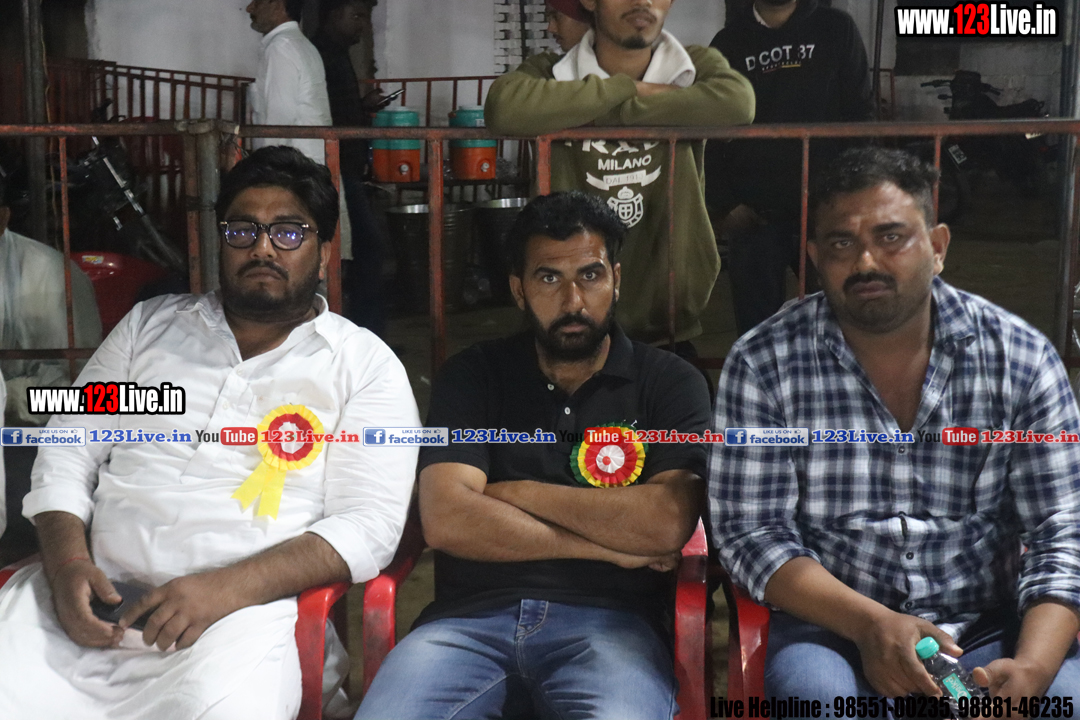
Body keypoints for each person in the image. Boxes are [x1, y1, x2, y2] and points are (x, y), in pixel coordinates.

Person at [0, 146, 421, 720]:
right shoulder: (147, 329)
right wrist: (68, 564)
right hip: (88, 604)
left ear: (324, 253)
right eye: (243, 230)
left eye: (288, 233)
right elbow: (67, 446)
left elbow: (369, 525)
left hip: (239, 625)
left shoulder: (363, 366)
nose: (263, 248)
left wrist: (224, 589)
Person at [708, 147, 1080, 701]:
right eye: (841, 243)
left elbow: (1063, 530)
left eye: (891, 237)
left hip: (988, 624)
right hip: (833, 628)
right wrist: (869, 624)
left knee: (1063, 700)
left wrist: (1032, 669)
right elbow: (751, 531)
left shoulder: (1020, 358)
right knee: (817, 699)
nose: (866, 262)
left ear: (937, 247)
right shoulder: (764, 362)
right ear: (813, 256)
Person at [356, 192, 710, 719]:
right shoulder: (473, 375)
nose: (573, 300)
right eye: (549, 278)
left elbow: (664, 523)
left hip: (613, 627)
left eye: (590, 275)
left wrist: (512, 493)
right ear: (519, 290)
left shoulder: (669, 381)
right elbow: (447, 518)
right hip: (465, 624)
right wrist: (610, 550)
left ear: (616, 279)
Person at [485, 0, 755, 347]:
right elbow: (504, 108)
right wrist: (628, 88)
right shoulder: (550, 71)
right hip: (569, 315)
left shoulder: (693, 64)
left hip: (668, 308)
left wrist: (585, 112)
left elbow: (737, 104)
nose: (642, 1)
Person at [707, 0, 873, 335]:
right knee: (757, 330)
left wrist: (855, 196)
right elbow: (710, 130)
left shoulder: (835, 29)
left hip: (827, 210)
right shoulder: (727, 43)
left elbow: (860, 115)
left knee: (839, 319)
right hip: (754, 215)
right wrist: (726, 203)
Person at [0, 176, 102, 562]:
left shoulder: (52, 278)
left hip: (28, 438)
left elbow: (79, 392)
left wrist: (8, 396)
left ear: (3, 218)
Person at [313, 0, 388, 338]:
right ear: (333, 15)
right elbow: (327, 115)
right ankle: (367, 335)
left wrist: (361, 106)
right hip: (335, 168)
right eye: (356, 15)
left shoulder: (336, 54)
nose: (362, 24)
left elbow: (337, 109)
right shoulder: (320, 56)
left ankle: (363, 333)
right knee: (368, 248)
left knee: (363, 249)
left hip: (345, 167)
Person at [247, 0, 333, 163]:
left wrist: (268, 168)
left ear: (277, 5)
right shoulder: (298, 43)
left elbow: (279, 119)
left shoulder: (281, 47)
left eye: (257, 2)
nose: (249, 8)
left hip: (292, 167)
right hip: (306, 163)